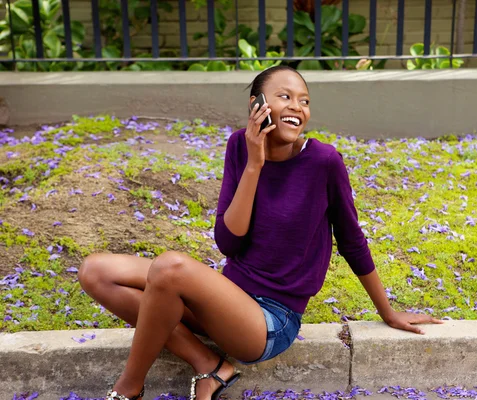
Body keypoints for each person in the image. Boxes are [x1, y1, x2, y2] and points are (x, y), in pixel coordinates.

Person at [78, 65, 443, 400]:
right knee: (96, 271)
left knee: (170, 268)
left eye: (305, 101)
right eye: (285, 96)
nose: (297, 107)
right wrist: (255, 163)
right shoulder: (240, 145)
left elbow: (351, 241)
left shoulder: (324, 163)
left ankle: (129, 389)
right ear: (258, 104)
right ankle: (208, 364)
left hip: (270, 320)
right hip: (229, 297)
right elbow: (229, 242)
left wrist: (388, 311)